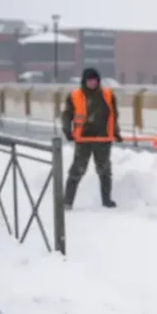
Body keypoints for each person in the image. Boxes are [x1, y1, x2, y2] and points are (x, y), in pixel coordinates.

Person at [61, 67, 121, 209]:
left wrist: (116, 132)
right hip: (83, 139)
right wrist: (67, 130)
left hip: (103, 139)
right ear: (84, 81)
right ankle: (67, 202)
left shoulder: (108, 95)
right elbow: (67, 115)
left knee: (104, 170)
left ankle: (106, 201)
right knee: (77, 170)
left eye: (95, 80)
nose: (92, 83)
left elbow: (113, 116)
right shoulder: (75, 96)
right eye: (90, 80)